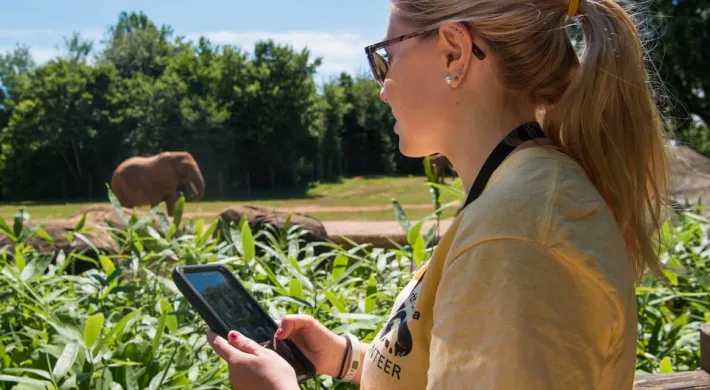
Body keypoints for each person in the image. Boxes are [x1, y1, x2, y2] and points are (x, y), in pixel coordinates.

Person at [206, 0, 670, 388]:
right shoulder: (514, 196)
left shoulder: (515, 238)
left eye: (385, 55)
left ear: (454, 53)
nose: (383, 88)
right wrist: (347, 358)